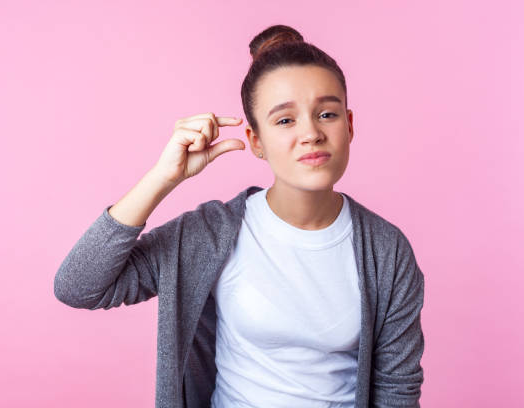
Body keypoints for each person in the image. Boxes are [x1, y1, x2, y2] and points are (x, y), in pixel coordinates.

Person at [54, 24, 425, 408]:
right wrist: (163, 178)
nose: (311, 133)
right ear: (256, 142)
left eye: (326, 114)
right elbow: (78, 286)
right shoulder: (210, 235)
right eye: (284, 120)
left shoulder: (386, 250)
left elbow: (398, 389)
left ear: (348, 126)